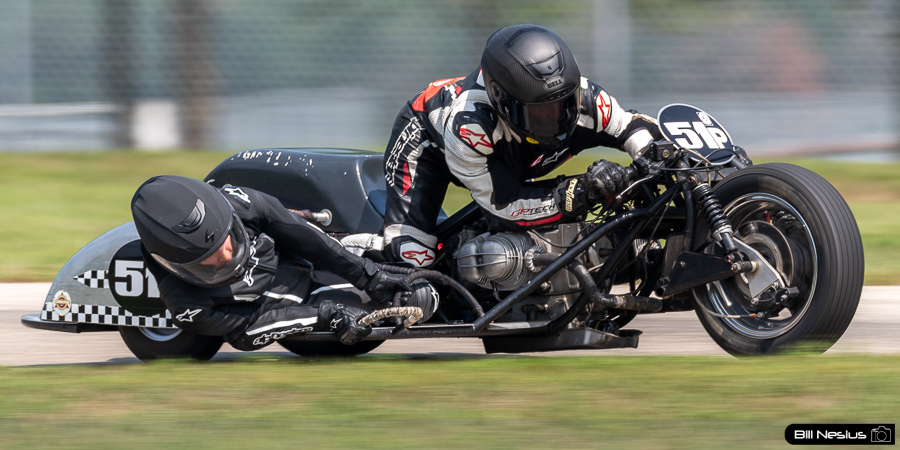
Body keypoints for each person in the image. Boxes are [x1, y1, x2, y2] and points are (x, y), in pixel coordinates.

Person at [373, 24, 663, 267]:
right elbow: (504, 205)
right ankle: (354, 255)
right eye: (539, 113)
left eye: (563, 104)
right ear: (502, 101)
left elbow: (634, 129)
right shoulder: (470, 125)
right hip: (428, 143)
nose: (557, 120)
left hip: (507, 155)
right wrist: (577, 192)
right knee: (412, 265)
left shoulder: (587, 97)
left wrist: (658, 159)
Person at [131, 175, 411, 351]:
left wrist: (368, 275)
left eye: (227, 241)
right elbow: (247, 331)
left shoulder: (242, 203)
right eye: (209, 259)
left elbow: (301, 234)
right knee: (357, 314)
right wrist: (326, 316)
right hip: (292, 306)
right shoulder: (185, 304)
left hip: (302, 261)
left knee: (396, 268)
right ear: (179, 267)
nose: (227, 257)